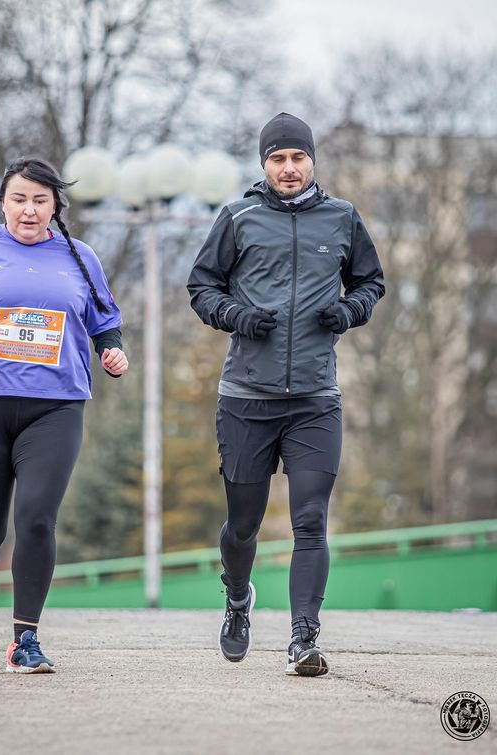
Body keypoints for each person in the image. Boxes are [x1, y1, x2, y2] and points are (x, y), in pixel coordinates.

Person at [187, 113, 385, 676]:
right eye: (278, 158)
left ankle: (304, 638)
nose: (289, 168)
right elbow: (201, 287)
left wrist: (349, 310)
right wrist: (237, 316)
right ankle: (237, 598)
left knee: (310, 520)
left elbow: (372, 281)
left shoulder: (342, 218)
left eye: (298, 158)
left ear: (312, 161)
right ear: (264, 164)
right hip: (246, 398)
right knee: (242, 525)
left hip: (315, 400)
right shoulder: (238, 217)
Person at [0, 157, 128, 673]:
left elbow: (106, 320)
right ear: (3, 203)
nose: (29, 211)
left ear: (56, 206)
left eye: (40, 200)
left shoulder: (80, 256)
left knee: (36, 519)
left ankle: (24, 640)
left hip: (56, 405)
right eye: (19, 199)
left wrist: (111, 350)